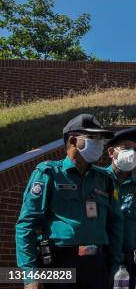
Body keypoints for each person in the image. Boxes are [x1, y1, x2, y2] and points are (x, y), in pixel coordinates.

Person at [15, 114, 123, 289]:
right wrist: (30, 274)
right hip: (60, 264)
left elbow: (116, 226)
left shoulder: (105, 179)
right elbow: (26, 224)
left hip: (97, 266)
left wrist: (115, 267)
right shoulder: (48, 173)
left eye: (101, 139)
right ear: (73, 141)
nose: (99, 144)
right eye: (93, 138)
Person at [106, 128, 136, 288]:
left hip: (126, 265)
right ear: (111, 152)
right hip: (98, 261)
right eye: (126, 147)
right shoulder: (97, 180)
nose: (132, 152)